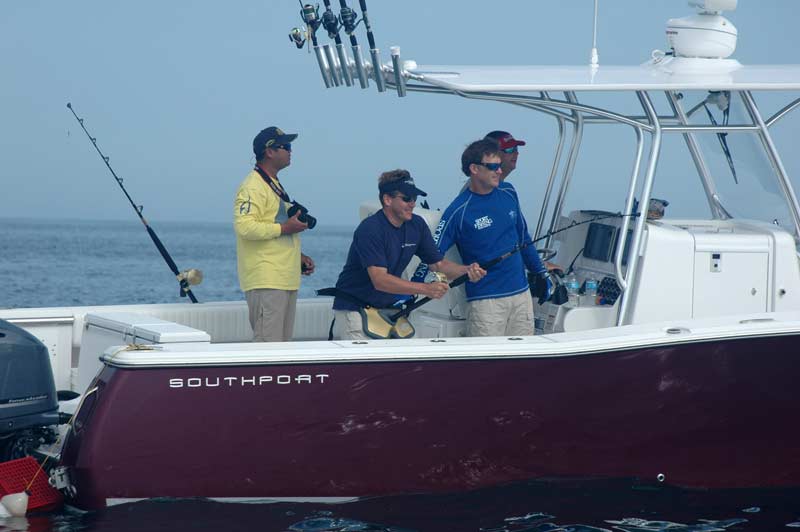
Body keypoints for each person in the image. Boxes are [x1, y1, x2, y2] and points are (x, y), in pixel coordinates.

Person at [331, 169, 485, 340]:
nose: (412, 203)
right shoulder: (370, 229)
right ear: (387, 199)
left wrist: (467, 270)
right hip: (355, 308)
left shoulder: (417, 225)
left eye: (414, 199)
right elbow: (380, 280)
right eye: (406, 198)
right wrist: (426, 289)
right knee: (367, 364)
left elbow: (438, 265)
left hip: (389, 309)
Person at [435, 138, 550, 337]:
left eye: (499, 166)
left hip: (522, 296)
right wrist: (464, 270)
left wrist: (541, 273)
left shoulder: (509, 192)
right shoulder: (458, 211)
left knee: (524, 362)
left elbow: (523, 238)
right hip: (486, 304)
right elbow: (433, 260)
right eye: (493, 166)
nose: (499, 170)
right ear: (474, 169)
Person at [234, 126, 315, 342]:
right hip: (267, 280)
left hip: (284, 279)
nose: (291, 151)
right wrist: (285, 228)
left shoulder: (272, 185)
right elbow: (245, 227)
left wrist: (298, 257)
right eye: (286, 147)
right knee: (267, 347)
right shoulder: (253, 186)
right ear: (269, 151)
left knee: (281, 348)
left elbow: (274, 224)